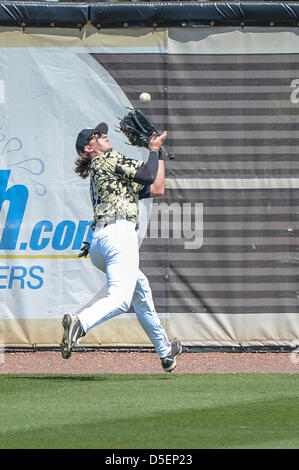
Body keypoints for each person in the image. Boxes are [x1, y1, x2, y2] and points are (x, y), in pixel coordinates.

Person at [60, 121, 182, 372]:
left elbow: (157, 187)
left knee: (141, 290)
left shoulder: (108, 172)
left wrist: (158, 152)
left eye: (103, 132)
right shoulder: (107, 160)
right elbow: (148, 174)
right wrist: (151, 149)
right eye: (97, 135)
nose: (104, 135)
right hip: (118, 236)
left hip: (101, 242)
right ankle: (80, 323)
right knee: (120, 298)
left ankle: (165, 351)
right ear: (88, 148)